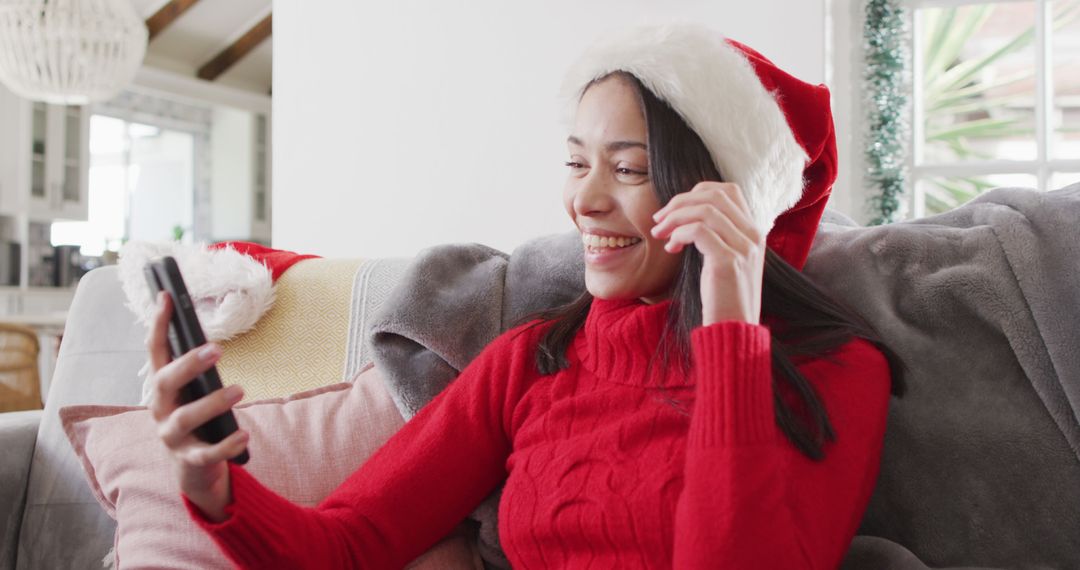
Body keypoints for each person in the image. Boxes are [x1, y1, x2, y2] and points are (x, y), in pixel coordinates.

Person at [145, 22, 906, 569]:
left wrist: (732, 323)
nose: (586, 202)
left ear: (724, 196)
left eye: (631, 169)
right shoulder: (532, 361)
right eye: (577, 164)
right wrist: (214, 490)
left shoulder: (834, 372)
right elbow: (349, 542)